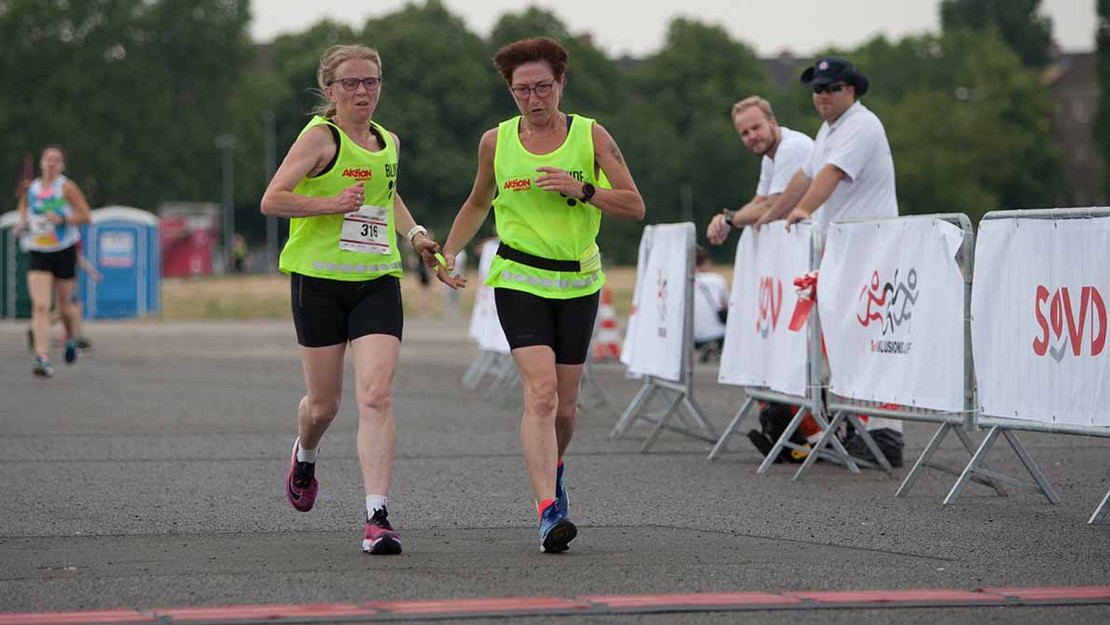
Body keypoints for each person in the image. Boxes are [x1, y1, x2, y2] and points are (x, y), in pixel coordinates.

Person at [436, 37, 645, 553]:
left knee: (566, 410)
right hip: (519, 277)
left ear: (561, 84)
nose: (533, 98)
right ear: (510, 92)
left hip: (577, 279)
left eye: (542, 87)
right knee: (542, 394)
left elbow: (635, 205)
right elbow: (477, 201)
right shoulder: (496, 141)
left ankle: (552, 466)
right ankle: (549, 511)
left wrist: (585, 191)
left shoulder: (591, 135)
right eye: (521, 90)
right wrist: (448, 254)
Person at [260, 44, 443, 555]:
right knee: (324, 406)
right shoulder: (321, 139)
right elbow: (273, 198)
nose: (362, 92)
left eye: (371, 82)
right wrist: (329, 203)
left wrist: (417, 235)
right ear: (330, 90)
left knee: (376, 395)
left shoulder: (389, 142)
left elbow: (388, 196)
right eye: (351, 84)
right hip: (317, 282)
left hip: (377, 280)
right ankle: (306, 452)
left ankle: (376, 516)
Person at [755, 56, 903, 467]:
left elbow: (830, 175)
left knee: (868, 341)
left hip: (871, 251)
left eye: (831, 88)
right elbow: (804, 176)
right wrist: (775, 213)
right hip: (844, 252)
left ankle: (885, 435)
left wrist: (802, 211)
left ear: (850, 90)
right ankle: (854, 428)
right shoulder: (830, 129)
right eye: (817, 89)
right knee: (840, 344)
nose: (822, 95)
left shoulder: (861, 124)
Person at [14, 145, 92, 378]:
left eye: (56, 160)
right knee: (40, 306)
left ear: (62, 165)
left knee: (65, 306)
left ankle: (71, 338)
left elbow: (86, 216)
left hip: (63, 249)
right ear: (41, 163)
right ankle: (42, 358)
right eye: (47, 159)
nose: (51, 163)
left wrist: (63, 219)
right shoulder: (33, 188)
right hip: (39, 250)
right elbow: (24, 205)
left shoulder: (66, 188)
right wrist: (20, 223)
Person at [706, 96, 814, 241]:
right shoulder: (769, 157)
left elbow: (776, 207)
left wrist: (730, 220)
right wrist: (724, 222)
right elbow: (759, 202)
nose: (752, 136)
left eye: (756, 127)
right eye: (744, 133)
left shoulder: (790, 148)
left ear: (772, 122)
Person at [692, 246, 728, 362]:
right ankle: (714, 347)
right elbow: (726, 302)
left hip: (693, 333)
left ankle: (705, 346)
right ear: (706, 262)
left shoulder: (687, 280)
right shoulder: (718, 279)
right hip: (717, 332)